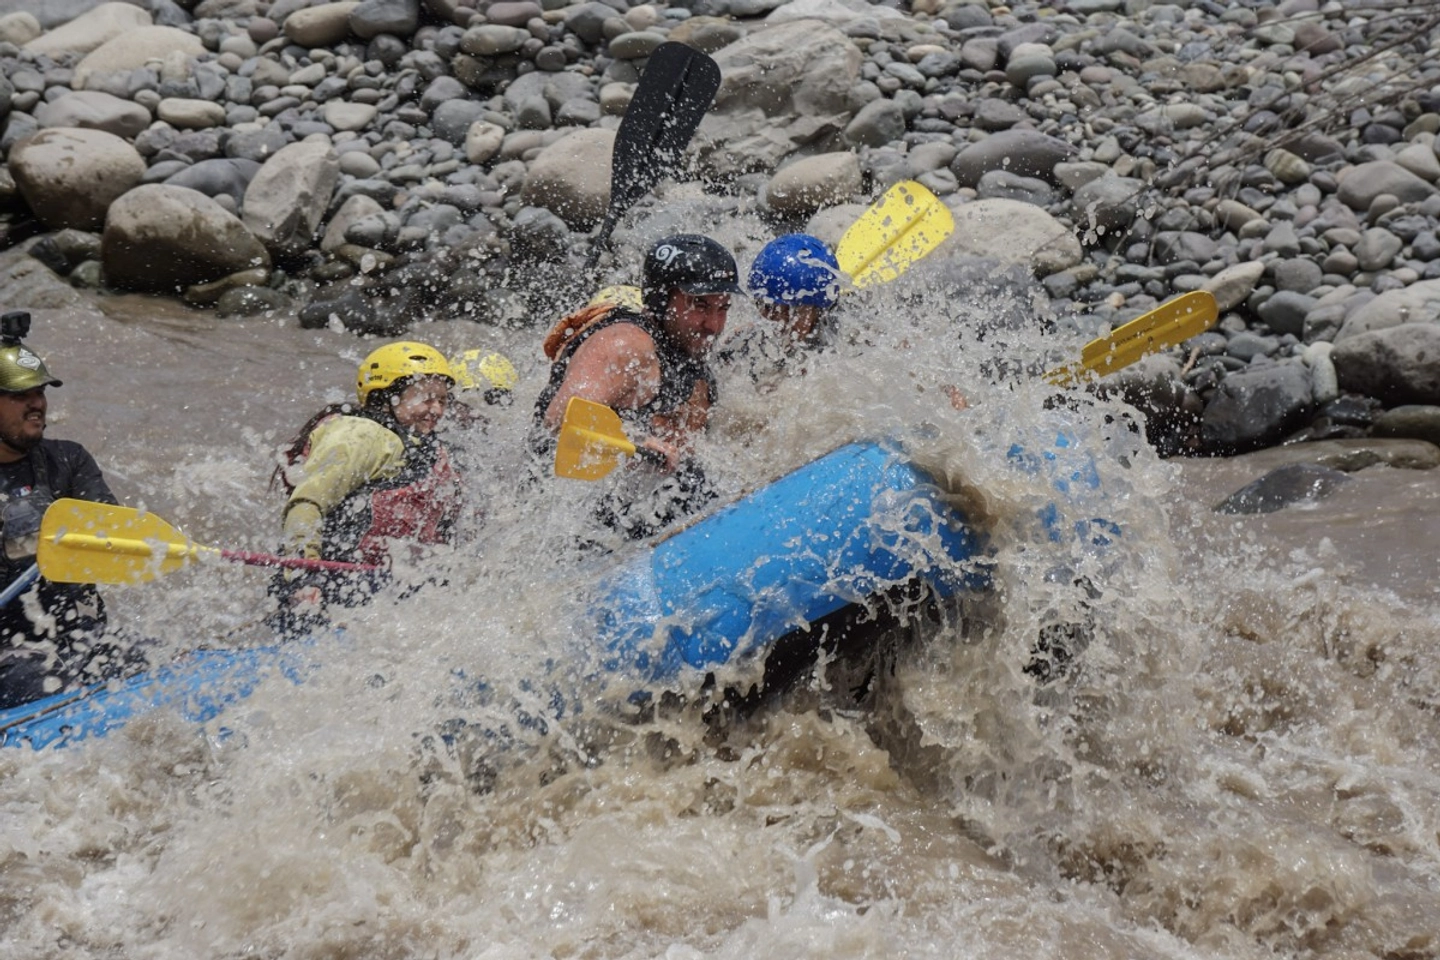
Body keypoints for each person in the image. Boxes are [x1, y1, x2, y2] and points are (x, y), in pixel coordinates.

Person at [531, 234, 742, 537]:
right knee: (692, 482)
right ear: (661, 298)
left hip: (619, 501)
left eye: (722, 308)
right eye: (700, 306)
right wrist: (633, 443)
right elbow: (557, 421)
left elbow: (693, 444)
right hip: (559, 513)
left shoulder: (690, 360)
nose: (714, 325)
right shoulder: (625, 345)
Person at [0, 310, 135, 709]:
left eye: (39, 392)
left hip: (78, 639)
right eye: (19, 396)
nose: (36, 404)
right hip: (10, 654)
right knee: (47, 681)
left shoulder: (70, 461)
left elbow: (113, 536)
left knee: (142, 655)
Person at [271, 341, 462, 624]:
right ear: (387, 397)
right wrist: (303, 577)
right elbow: (307, 503)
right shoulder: (359, 435)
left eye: (442, 400)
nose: (436, 409)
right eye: (426, 397)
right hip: (327, 586)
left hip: (384, 587)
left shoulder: (422, 445)